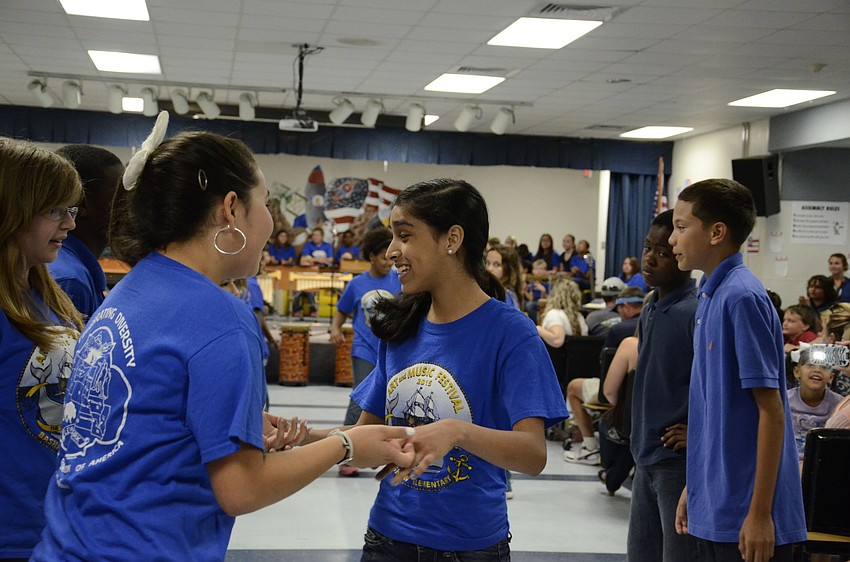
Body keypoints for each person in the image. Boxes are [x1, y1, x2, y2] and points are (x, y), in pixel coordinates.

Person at [31, 113, 416, 561]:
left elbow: (143, 420)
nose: (270, 223)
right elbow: (241, 488)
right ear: (231, 209)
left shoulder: (131, 289)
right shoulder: (221, 317)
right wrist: (346, 445)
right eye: (265, 204)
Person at [349, 178, 568, 559]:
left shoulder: (511, 333)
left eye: (404, 235)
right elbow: (363, 441)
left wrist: (457, 432)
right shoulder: (401, 328)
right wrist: (296, 438)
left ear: (452, 239)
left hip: (471, 548)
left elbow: (533, 454)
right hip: (388, 540)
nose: (392, 251)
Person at [670, 178, 806, 562]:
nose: (672, 239)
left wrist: (760, 514)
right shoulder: (709, 294)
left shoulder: (742, 297)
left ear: (717, 233)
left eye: (681, 227)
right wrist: (696, 485)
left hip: (749, 514)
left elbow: (771, 410)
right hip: (716, 501)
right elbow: (715, 410)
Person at [0, 139, 84, 560]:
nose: (69, 224)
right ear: (11, 211)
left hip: (54, 522)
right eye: (54, 210)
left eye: (72, 210)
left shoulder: (45, 294)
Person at [628, 209, 699, 562]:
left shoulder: (694, 312)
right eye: (647, 248)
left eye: (662, 253)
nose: (650, 259)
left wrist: (697, 430)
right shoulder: (651, 307)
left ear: (683, 257)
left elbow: (713, 387)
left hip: (676, 463)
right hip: (645, 456)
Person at [330, 226, 400, 477]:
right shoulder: (357, 284)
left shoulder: (398, 280)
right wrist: (335, 328)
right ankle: (345, 453)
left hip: (392, 350)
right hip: (364, 348)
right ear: (371, 256)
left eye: (390, 258)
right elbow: (341, 311)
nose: (388, 262)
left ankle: (378, 447)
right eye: (383, 257)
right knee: (360, 398)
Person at [47, 144, 123, 321]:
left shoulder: (74, 269)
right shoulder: (71, 282)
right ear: (81, 204)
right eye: (119, 197)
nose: (129, 207)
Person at [787, 346, 843, 463]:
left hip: (823, 463)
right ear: (797, 372)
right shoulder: (785, 400)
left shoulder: (840, 404)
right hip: (788, 462)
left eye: (824, 367)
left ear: (831, 377)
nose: (817, 370)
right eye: (810, 365)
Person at [537, 279, 588, 348]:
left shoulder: (554, 314)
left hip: (559, 354)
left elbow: (557, 340)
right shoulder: (579, 317)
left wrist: (538, 329)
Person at [485, 243, 523, 310]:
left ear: (508, 269)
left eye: (496, 265)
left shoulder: (506, 296)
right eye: (487, 263)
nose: (489, 268)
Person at [523, 258, 550, 323]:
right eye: (536, 269)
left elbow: (550, 299)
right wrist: (525, 291)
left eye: (541, 269)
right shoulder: (532, 282)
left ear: (545, 271)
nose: (538, 271)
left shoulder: (548, 282)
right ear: (533, 271)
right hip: (533, 302)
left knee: (530, 305)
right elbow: (531, 299)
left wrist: (543, 291)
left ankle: (535, 324)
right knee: (522, 303)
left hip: (543, 303)